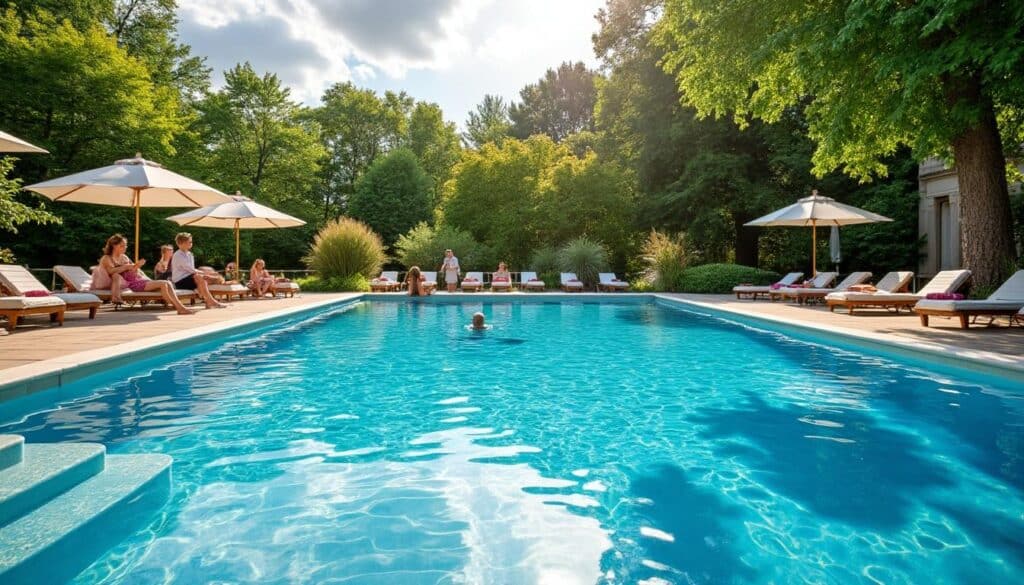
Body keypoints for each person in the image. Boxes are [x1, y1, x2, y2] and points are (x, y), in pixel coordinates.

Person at [99, 234, 195, 314]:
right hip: (134, 284)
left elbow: (132, 270)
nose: (126, 247)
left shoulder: (124, 257)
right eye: (123, 245)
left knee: (166, 284)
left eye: (126, 245)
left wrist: (137, 266)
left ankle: (178, 307)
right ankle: (179, 307)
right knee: (164, 283)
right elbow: (110, 271)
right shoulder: (107, 258)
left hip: (139, 280)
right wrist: (126, 267)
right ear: (114, 246)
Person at [170, 232, 226, 309]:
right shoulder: (178, 255)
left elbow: (192, 270)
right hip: (180, 281)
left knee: (205, 279)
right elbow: (191, 269)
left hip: (190, 278)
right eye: (189, 242)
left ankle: (208, 301)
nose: (191, 243)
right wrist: (207, 273)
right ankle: (211, 301)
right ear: (181, 243)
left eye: (191, 242)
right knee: (200, 277)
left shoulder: (190, 254)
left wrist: (207, 275)